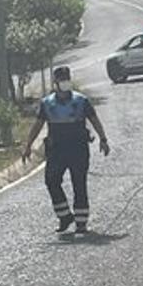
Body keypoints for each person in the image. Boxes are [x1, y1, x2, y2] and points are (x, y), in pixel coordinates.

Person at [22, 66, 110, 233]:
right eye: (61, 80)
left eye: (66, 79)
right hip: (57, 149)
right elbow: (37, 125)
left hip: (78, 148)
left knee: (79, 183)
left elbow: (94, 119)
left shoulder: (81, 101)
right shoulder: (47, 103)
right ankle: (64, 216)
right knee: (51, 181)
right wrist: (28, 146)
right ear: (55, 82)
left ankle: (81, 221)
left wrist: (103, 139)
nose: (64, 82)